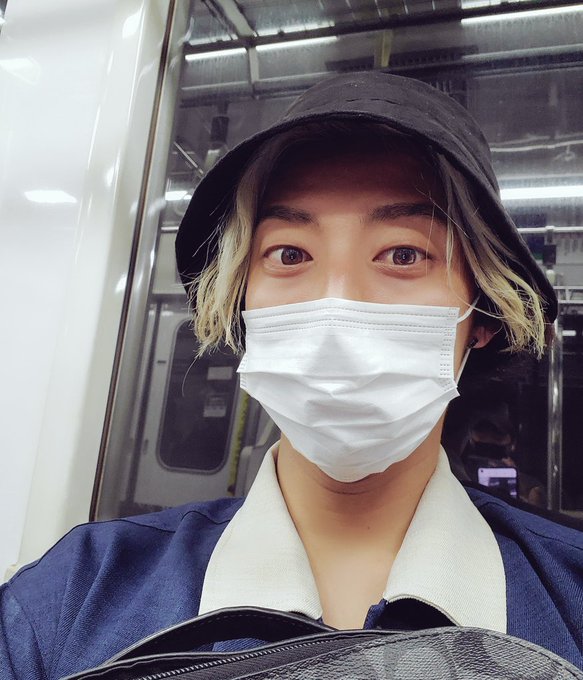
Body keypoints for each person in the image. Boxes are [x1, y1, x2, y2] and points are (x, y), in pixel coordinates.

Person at [1, 71, 581, 678]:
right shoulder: (71, 599)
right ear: (242, 301)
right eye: (290, 254)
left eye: (403, 254)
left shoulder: (569, 597)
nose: (336, 307)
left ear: (480, 314)